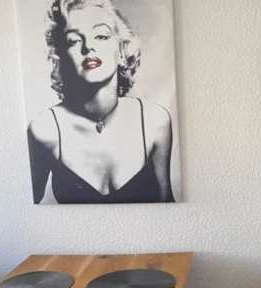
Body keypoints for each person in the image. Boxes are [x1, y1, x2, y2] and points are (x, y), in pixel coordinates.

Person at [27, 0, 175, 204]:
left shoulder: (155, 122)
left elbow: (168, 207)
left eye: (101, 36)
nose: (88, 47)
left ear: (122, 51)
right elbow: (26, 212)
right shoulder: (45, 130)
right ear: (61, 57)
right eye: (73, 41)